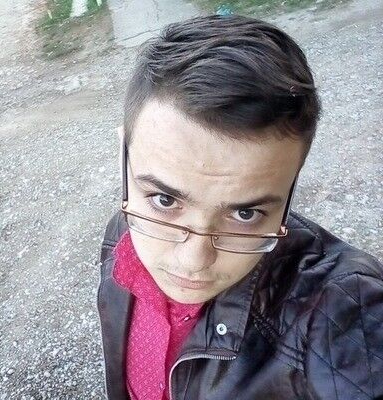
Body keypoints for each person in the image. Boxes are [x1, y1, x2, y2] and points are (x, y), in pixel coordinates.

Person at [97, 15, 383, 400]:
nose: (194, 261)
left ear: (291, 184)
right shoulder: (125, 229)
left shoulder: (339, 311)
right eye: (165, 200)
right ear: (124, 155)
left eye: (244, 214)